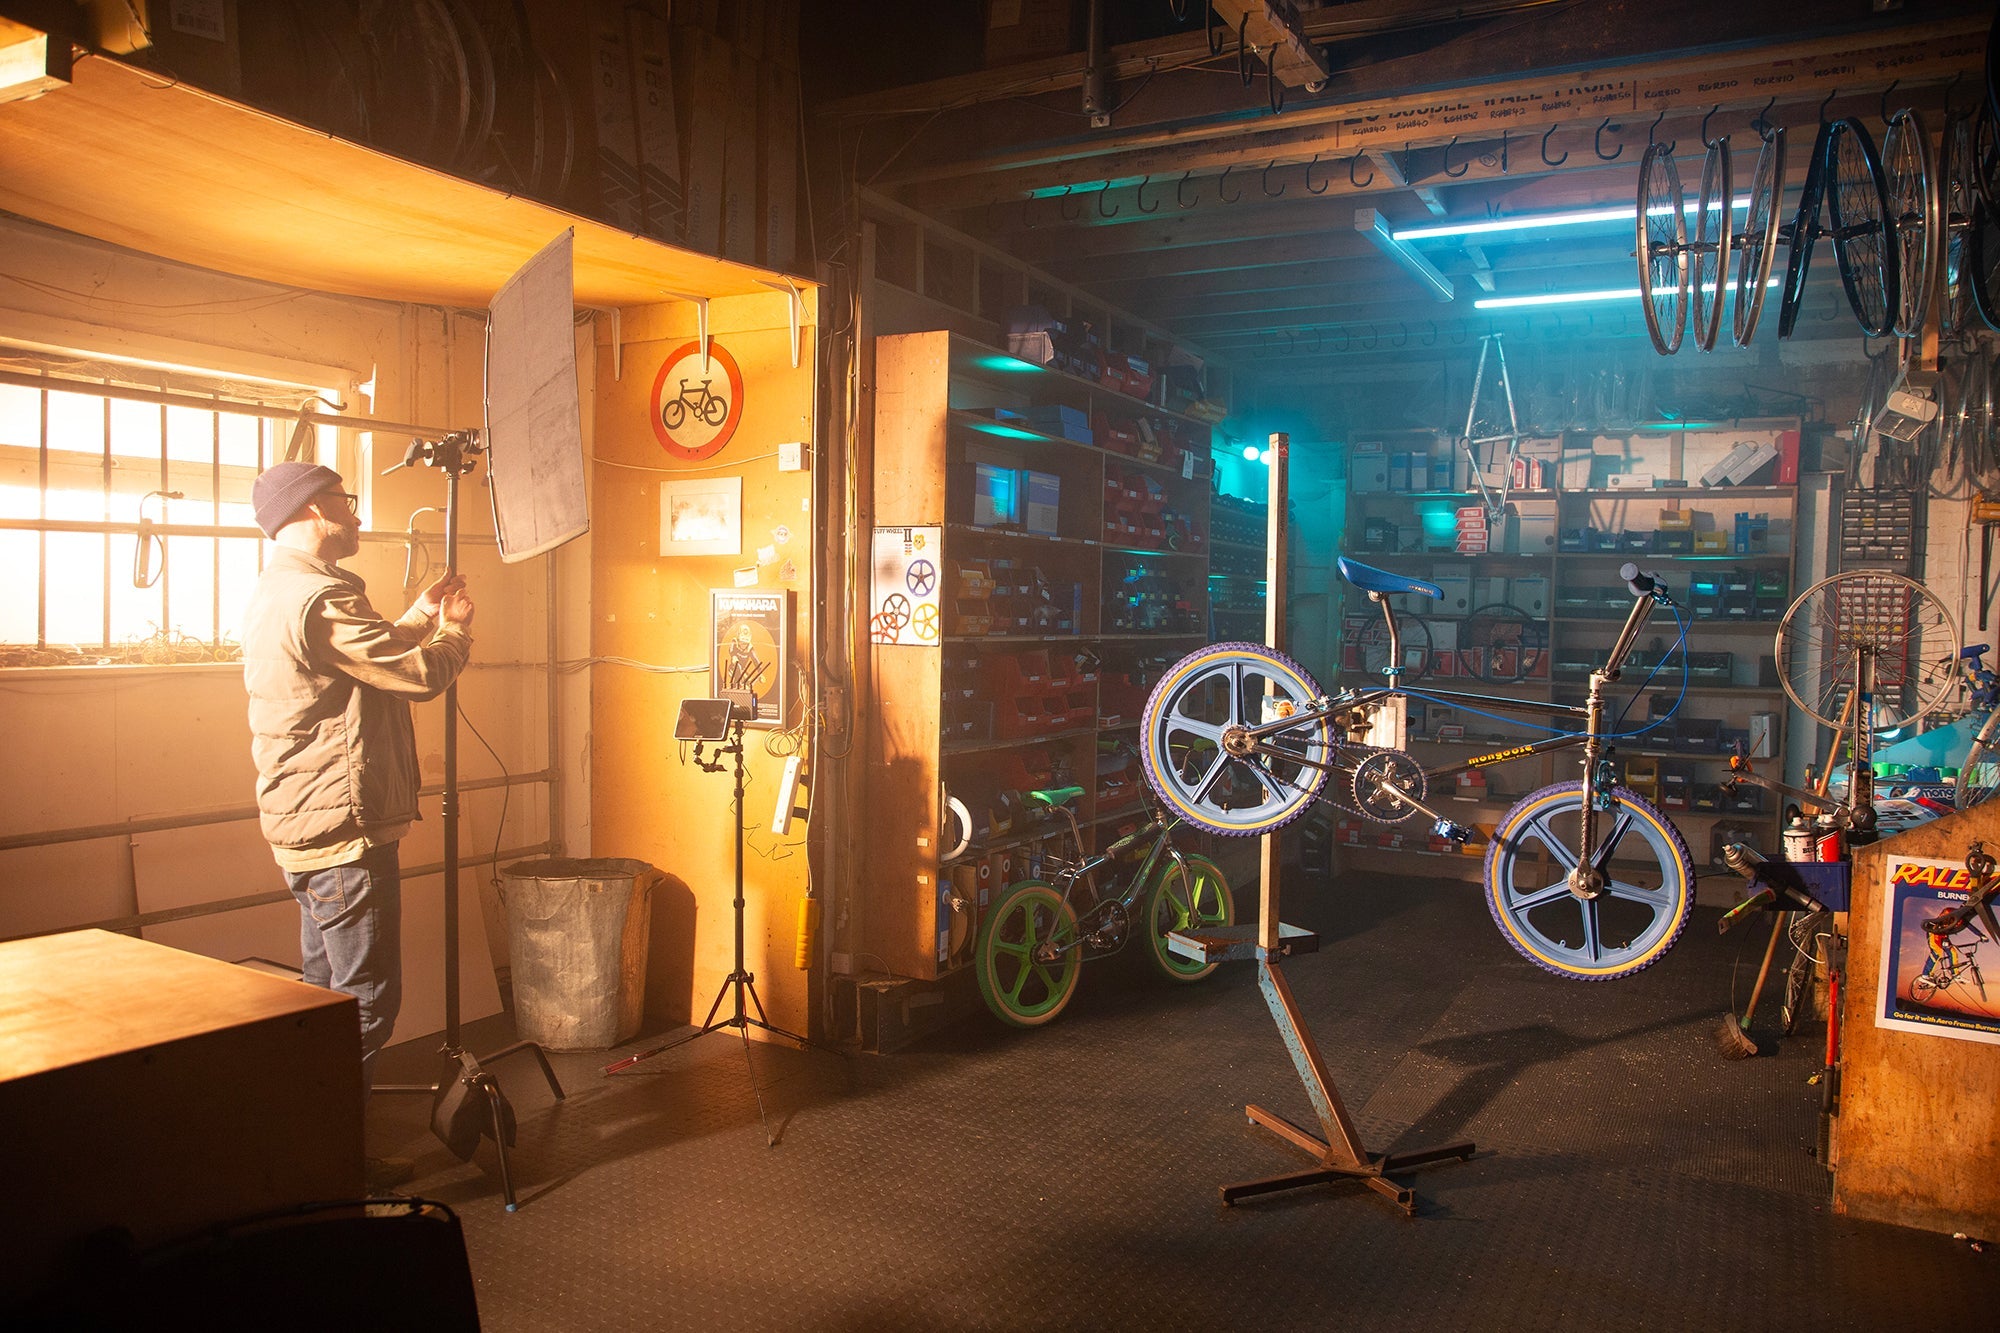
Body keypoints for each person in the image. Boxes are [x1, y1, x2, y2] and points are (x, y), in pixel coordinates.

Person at [242, 461, 473, 1189]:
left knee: (323, 1001)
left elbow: (359, 659)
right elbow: (413, 675)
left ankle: (306, 1150)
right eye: (344, 498)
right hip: (343, 832)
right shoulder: (319, 595)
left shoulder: (284, 588)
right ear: (315, 510)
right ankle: (331, 1160)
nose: (355, 508)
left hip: (306, 827)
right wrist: (455, 635)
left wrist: (416, 613)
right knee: (365, 1001)